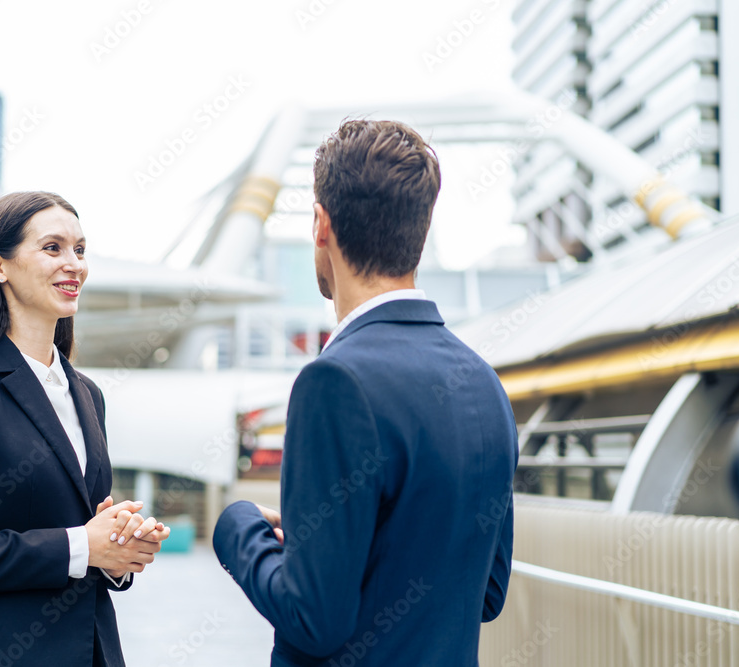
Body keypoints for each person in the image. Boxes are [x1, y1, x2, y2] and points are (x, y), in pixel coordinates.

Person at [212, 120, 519, 666]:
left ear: (321, 224)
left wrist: (238, 526)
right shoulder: (483, 382)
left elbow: (315, 619)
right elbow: (487, 593)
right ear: (420, 226)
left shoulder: (334, 381)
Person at [0, 191, 168, 666]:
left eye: (80, 250)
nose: (74, 265)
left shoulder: (87, 394)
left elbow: (85, 540)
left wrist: (119, 550)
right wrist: (83, 545)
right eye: (53, 248)